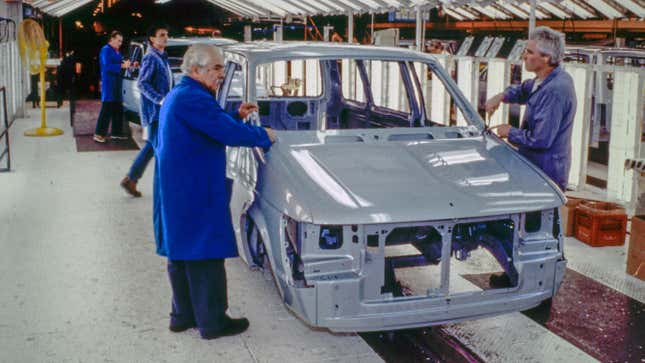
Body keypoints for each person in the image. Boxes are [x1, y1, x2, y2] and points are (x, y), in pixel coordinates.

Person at [155, 44, 276, 340]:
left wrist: (235, 116)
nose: (222, 74)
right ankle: (212, 322)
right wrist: (264, 136)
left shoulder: (183, 95)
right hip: (192, 189)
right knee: (205, 254)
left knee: (181, 252)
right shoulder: (194, 99)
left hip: (178, 188)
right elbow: (227, 133)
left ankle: (181, 316)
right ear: (196, 70)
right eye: (217, 68)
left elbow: (211, 126)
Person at [486, 26, 576, 192]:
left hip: (546, 172)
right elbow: (523, 90)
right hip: (535, 165)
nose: (524, 56)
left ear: (546, 57)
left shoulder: (555, 91)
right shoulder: (545, 79)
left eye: (529, 52)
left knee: (535, 217)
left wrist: (509, 131)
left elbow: (541, 139)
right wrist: (501, 96)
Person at [120, 25, 171, 197]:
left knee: (153, 146)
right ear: (152, 39)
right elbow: (142, 83)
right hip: (154, 111)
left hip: (160, 110)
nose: (165, 38)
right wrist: (160, 99)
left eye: (166, 35)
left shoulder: (161, 57)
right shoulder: (151, 58)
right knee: (156, 145)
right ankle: (132, 178)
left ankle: (131, 179)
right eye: (161, 35)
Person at [93, 30, 130, 143]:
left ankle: (116, 133)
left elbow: (120, 62)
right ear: (112, 39)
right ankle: (98, 134)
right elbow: (107, 66)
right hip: (109, 84)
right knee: (107, 109)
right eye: (118, 40)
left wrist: (129, 64)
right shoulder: (106, 50)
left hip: (117, 84)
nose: (120, 43)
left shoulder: (116, 51)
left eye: (121, 41)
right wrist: (122, 66)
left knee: (118, 109)